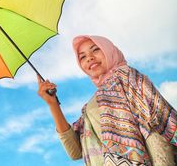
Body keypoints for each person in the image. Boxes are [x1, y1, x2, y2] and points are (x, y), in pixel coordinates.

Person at [37, 35, 177, 165]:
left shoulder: (129, 78)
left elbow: (159, 126)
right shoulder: (92, 104)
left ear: (109, 51)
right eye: (82, 57)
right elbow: (75, 151)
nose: (89, 58)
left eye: (95, 49)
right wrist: (53, 104)